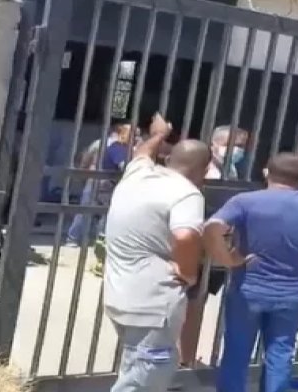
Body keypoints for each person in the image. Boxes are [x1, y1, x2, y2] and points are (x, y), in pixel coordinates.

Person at [204, 153, 298, 392]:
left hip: (248, 289)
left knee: (237, 351)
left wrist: (228, 259)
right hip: (292, 292)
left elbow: (212, 228)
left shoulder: (244, 201)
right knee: (281, 352)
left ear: (267, 172)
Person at [104, 113, 213, 392]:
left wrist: (159, 134)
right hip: (153, 303)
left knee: (135, 367)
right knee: (145, 377)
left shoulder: (137, 175)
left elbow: (141, 153)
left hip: (119, 294)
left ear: (168, 159)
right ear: (205, 170)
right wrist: (188, 273)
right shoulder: (187, 193)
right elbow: (186, 235)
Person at [176, 126, 250, 371]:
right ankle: (183, 359)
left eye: (241, 145)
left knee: (197, 303)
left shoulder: (230, 170)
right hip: (200, 248)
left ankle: (185, 357)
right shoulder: (207, 174)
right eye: (232, 144)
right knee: (190, 304)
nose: (237, 150)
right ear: (215, 144)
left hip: (215, 249)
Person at [66, 124, 131, 247]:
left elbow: (86, 158)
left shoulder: (99, 143)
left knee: (85, 211)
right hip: (107, 181)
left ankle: (73, 238)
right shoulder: (119, 147)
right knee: (104, 213)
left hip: (94, 178)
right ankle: (99, 240)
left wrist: (82, 173)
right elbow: (122, 165)